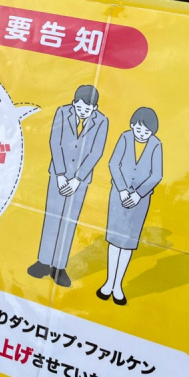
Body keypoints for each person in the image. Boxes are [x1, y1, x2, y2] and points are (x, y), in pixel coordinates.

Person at [28, 85, 108, 287]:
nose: (82, 112)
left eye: (87, 109)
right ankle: (43, 262)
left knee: (69, 221)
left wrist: (77, 179)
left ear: (95, 108)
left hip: (80, 180)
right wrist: (61, 174)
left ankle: (59, 266)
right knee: (52, 217)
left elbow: (96, 152)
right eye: (79, 108)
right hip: (58, 174)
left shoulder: (102, 121)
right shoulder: (63, 112)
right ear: (73, 103)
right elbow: (55, 142)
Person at [97, 107, 163, 305]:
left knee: (128, 243)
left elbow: (156, 175)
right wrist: (123, 190)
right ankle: (108, 282)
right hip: (118, 196)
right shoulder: (125, 137)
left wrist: (137, 194)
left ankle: (118, 285)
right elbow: (113, 164)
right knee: (114, 240)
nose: (141, 134)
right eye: (138, 129)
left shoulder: (156, 145)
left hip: (140, 201)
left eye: (146, 131)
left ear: (152, 132)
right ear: (132, 125)